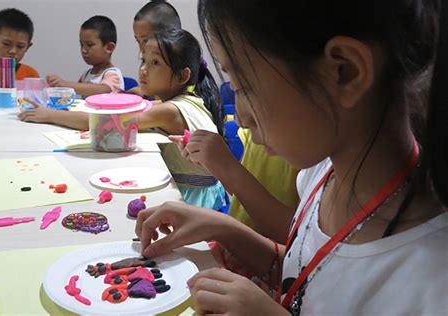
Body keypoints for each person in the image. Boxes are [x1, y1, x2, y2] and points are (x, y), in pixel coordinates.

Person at [136, 0, 448, 315]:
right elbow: (311, 272)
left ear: (345, 72)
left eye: (244, 87)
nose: (242, 117)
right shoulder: (323, 174)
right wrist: (220, 227)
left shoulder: (430, 285)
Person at [137, 28, 226, 210]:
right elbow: (138, 110)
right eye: (143, 60)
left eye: (155, 62)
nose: (143, 69)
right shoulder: (184, 100)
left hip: (196, 200)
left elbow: (113, 121)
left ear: (182, 76)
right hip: (200, 192)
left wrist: (60, 114)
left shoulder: (170, 110)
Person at [170, 128, 299, 243]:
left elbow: (295, 235)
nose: (240, 120)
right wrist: (212, 162)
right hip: (240, 245)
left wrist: (229, 167)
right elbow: (239, 193)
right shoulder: (255, 130)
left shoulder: (309, 158)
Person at [18, 15, 123, 129]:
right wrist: (57, 89)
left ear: (109, 48)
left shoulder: (113, 74)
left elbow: (104, 90)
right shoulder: (86, 74)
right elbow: (73, 94)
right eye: (81, 44)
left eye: (89, 45)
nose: (83, 50)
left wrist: (65, 84)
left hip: (104, 125)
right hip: (85, 122)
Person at [129, 0, 182, 97]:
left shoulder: (182, 67)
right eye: (138, 41)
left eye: (145, 40)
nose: (142, 48)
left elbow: (175, 103)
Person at [0, 8, 39, 82]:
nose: (13, 51)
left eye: (20, 46)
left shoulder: (31, 75)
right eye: (6, 44)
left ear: (28, 47)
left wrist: (53, 88)